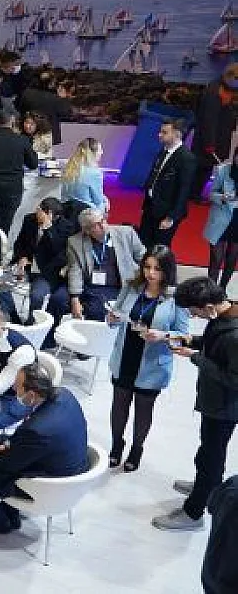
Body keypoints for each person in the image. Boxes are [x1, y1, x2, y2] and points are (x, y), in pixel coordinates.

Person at [0, 363, 89, 534]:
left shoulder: (38, 430)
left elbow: (7, 465)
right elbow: (27, 441)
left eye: (17, 385)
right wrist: (6, 446)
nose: (14, 388)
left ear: (32, 395)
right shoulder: (64, 395)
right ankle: (6, 509)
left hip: (50, 481)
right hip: (66, 462)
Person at [152, 276, 238, 531]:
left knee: (211, 456)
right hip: (214, 402)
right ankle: (206, 487)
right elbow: (212, 343)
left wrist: (196, 357)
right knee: (207, 451)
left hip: (224, 407)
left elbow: (234, 379)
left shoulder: (234, 336)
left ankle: (193, 513)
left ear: (209, 307)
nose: (192, 315)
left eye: (194, 311)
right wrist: (184, 340)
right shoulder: (223, 316)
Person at [106, 247, 189, 472]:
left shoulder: (176, 298)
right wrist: (111, 319)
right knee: (119, 406)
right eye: (147, 267)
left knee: (143, 410)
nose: (150, 273)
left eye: (157, 269)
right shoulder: (131, 287)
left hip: (152, 364)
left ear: (167, 271)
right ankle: (116, 445)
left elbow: (184, 337)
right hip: (124, 357)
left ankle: (137, 449)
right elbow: (115, 316)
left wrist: (163, 336)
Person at [64, 207, 146, 320]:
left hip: (124, 285)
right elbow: (75, 271)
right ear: (87, 230)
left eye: (102, 220)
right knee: (97, 312)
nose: (103, 225)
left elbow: (144, 258)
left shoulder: (126, 233)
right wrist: (75, 298)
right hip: (96, 289)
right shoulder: (75, 242)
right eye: (96, 225)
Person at [7, 197, 76, 325]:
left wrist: (48, 229)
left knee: (37, 295)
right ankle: (14, 316)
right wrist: (22, 257)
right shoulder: (29, 220)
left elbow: (59, 254)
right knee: (2, 286)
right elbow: (19, 243)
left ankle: (33, 322)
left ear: (50, 214)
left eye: (39, 210)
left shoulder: (66, 227)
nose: (36, 212)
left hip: (48, 272)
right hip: (26, 265)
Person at [140, 118, 197, 248]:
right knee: (143, 244)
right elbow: (154, 177)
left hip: (166, 212)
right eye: (160, 131)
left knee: (160, 249)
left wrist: (171, 217)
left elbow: (184, 190)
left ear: (177, 134)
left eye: (164, 132)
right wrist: (146, 205)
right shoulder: (163, 151)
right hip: (151, 208)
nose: (159, 135)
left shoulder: (187, 158)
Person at [191, 64, 238, 201]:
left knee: (206, 166)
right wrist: (209, 142)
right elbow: (209, 119)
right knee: (203, 167)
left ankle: (194, 192)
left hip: (217, 136)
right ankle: (193, 193)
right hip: (211, 138)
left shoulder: (222, 87)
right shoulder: (215, 92)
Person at [206, 145, 238, 288]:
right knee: (216, 259)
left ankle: (222, 289)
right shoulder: (223, 170)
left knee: (231, 259)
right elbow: (211, 194)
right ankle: (210, 291)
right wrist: (222, 197)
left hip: (237, 221)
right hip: (221, 218)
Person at [60, 137, 108, 215]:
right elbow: (98, 201)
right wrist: (105, 203)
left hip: (67, 212)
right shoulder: (95, 173)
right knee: (104, 205)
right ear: (93, 153)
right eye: (100, 150)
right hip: (86, 214)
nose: (102, 152)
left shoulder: (68, 168)